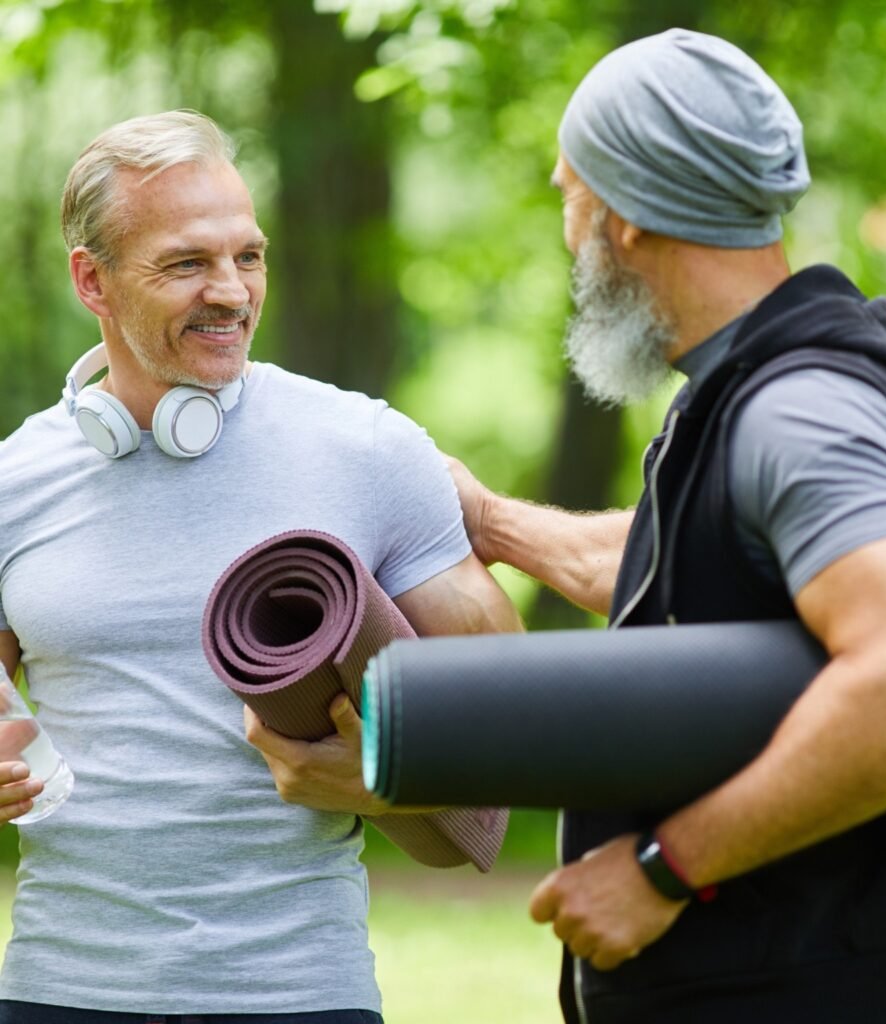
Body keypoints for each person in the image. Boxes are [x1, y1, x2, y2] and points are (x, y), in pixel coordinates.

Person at [447, 29, 886, 1024]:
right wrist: (489, 522)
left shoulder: (802, 414)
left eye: (572, 196)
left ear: (630, 217)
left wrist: (661, 870)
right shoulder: (743, 394)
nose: (569, 234)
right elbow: (689, 571)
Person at [0, 110, 520, 1023]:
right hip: (61, 991)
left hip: (299, 994)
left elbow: (510, 716)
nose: (233, 292)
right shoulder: (15, 482)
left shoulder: (366, 448)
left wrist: (389, 778)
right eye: (187, 262)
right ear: (93, 279)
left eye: (249, 256)